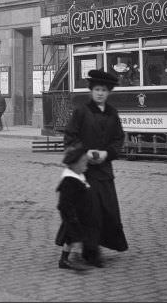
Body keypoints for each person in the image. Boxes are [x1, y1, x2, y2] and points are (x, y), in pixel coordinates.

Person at [63, 69, 128, 267]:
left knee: (105, 210)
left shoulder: (112, 113)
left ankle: (91, 249)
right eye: (97, 89)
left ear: (109, 93)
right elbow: (70, 137)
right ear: (91, 91)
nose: (100, 93)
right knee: (86, 211)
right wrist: (86, 153)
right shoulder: (81, 112)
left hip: (104, 171)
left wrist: (108, 153)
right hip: (85, 171)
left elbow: (118, 139)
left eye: (104, 90)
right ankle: (86, 253)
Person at [55, 144, 92, 271]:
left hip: (78, 213)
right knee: (76, 238)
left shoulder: (78, 176)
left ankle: (64, 259)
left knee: (70, 238)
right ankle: (75, 260)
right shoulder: (69, 181)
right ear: (75, 164)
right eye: (83, 162)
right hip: (71, 214)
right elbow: (64, 203)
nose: (86, 165)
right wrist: (71, 217)